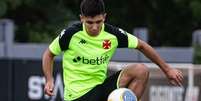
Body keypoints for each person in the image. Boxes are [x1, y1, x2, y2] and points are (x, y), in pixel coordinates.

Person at [42, 0, 183, 101]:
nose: (95, 27)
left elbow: (142, 46)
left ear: (104, 17)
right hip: (77, 96)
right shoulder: (70, 34)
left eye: (98, 22)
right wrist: (49, 80)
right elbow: (49, 54)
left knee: (141, 70)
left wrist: (167, 69)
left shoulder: (112, 34)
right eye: (90, 23)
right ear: (82, 18)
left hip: (100, 89)